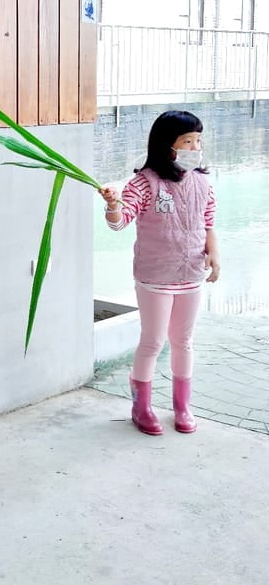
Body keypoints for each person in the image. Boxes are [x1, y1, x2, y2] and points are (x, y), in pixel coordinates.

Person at [99, 110, 220, 436]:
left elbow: (207, 223)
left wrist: (215, 255)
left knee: (183, 341)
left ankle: (182, 407)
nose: (195, 148)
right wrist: (113, 203)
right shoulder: (144, 182)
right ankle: (142, 407)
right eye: (188, 142)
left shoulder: (203, 181)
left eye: (198, 140)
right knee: (152, 342)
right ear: (167, 145)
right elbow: (119, 222)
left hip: (191, 275)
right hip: (155, 277)